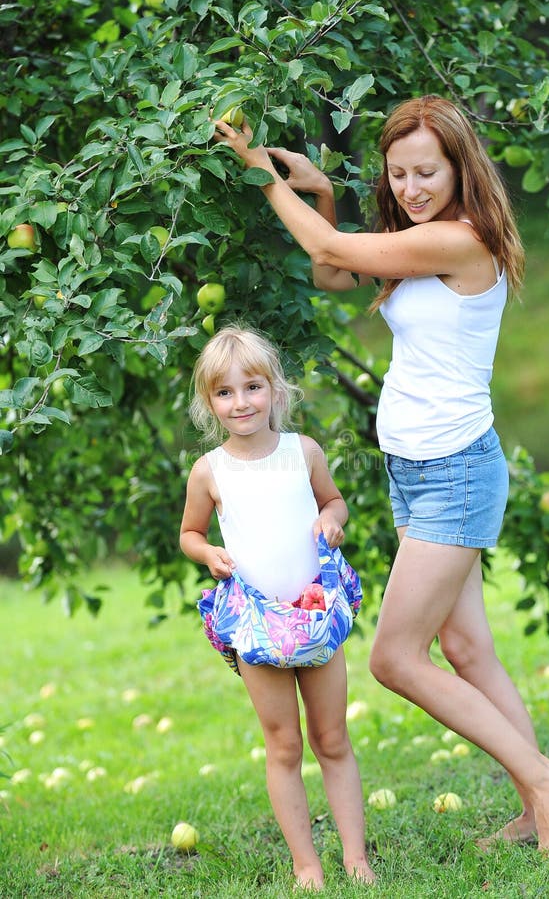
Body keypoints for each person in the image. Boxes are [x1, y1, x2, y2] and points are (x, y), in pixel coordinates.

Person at [213, 95, 549, 854]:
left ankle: (548, 779)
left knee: (393, 658)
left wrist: (261, 174)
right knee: (467, 650)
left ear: (458, 169)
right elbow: (331, 272)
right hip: (415, 470)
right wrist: (319, 192)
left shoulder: (459, 239)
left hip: (455, 472)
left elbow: (330, 248)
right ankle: (532, 804)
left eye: (427, 173)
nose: (411, 188)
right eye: (399, 173)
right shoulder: (417, 240)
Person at [179, 325, 376, 889]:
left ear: (276, 390)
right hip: (259, 625)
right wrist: (208, 552)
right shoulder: (210, 471)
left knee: (332, 738)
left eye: (252, 387)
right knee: (284, 744)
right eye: (224, 392)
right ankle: (306, 863)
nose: (240, 402)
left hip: (313, 617)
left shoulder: (302, 452)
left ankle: (355, 856)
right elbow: (189, 533)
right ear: (209, 403)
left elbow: (333, 501)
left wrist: (331, 520)